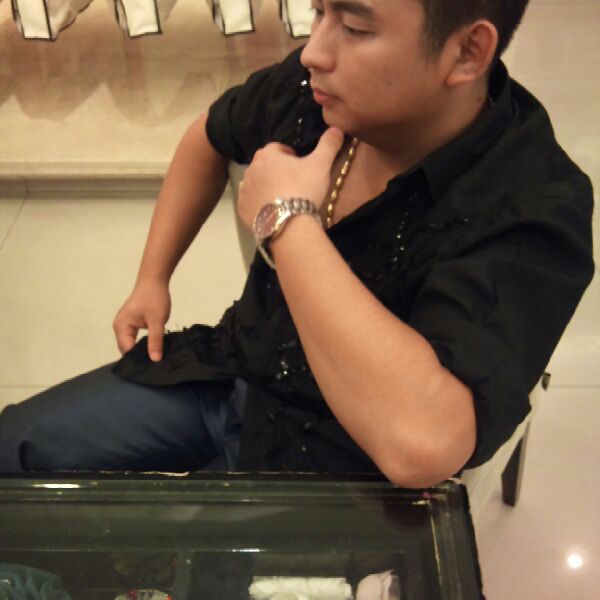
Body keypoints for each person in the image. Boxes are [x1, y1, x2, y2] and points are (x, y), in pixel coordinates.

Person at [0, 0, 594, 487]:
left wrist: (287, 221)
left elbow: (423, 443)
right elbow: (208, 134)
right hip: (235, 372)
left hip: (343, 467)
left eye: (355, 27)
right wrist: (153, 276)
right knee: (15, 446)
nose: (314, 52)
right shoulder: (315, 90)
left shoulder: (529, 203)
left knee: (181, 564)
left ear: (467, 52)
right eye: (318, 12)